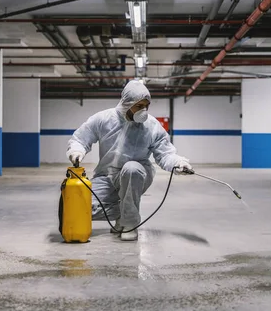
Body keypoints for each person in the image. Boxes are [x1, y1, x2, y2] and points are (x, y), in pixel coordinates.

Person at [66, 80, 194, 241]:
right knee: (80, 209)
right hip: (106, 175)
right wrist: (77, 150)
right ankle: (124, 212)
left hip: (137, 174)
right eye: (139, 106)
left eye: (146, 106)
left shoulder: (152, 126)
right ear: (127, 103)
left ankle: (130, 224)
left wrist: (178, 163)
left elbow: (165, 153)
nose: (144, 111)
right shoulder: (103, 119)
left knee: (131, 168)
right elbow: (81, 137)